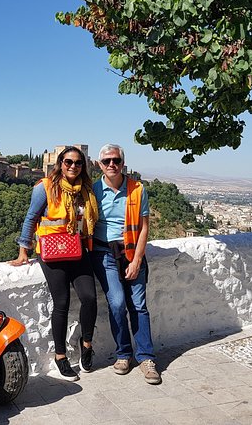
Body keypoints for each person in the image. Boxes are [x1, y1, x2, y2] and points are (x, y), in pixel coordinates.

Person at [9, 146, 98, 381]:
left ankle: (86, 345)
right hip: (52, 253)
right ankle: (61, 356)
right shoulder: (45, 187)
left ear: (83, 166)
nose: (73, 166)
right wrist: (23, 251)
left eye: (78, 163)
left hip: (78, 250)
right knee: (62, 302)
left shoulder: (85, 190)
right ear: (60, 163)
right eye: (68, 162)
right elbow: (31, 217)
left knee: (89, 297)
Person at [91, 144, 161, 385]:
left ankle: (146, 358)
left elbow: (144, 227)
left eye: (116, 160)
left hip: (131, 251)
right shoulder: (93, 190)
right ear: (100, 164)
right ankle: (123, 353)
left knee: (139, 306)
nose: (112, 164)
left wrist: (137, 259)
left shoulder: (137, 190)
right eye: (107, 161)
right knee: (118, 303)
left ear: (123, 163)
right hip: (103, 253)